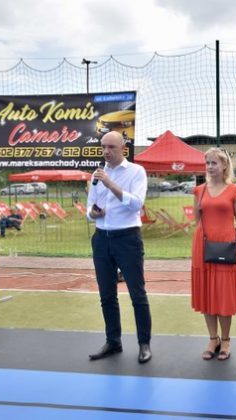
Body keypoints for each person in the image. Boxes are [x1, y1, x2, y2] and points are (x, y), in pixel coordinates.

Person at [87, 131, 153, 364]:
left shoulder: (136, 172)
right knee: (107, 294)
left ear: (123, 148)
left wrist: (110, 184)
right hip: (102, 238)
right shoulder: (96, 176)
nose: (106, 151)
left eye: (111, 147)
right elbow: (89, 211)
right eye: (103, 147)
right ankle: (113, 341)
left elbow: (136, 204)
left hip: (127, 238)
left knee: (137, 293)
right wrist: (94, 212)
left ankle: (144, 344)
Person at [191, 148, 236, 361]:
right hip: (203, 246)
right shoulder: (199, 191)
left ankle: (225, 340)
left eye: (214, 163)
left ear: (224, 165)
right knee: (206, 292)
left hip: (225, 247)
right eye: (207, 163)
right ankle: (212, 339)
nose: (210, 167)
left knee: (223, 294)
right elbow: (197, 220)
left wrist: (232, 242)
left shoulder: (234, 191)